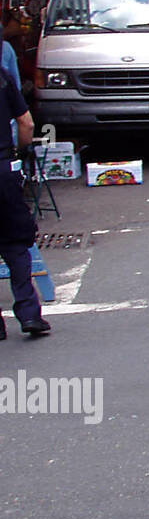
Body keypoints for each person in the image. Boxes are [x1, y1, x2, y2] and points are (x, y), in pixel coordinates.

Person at [0, 63, 47, 337]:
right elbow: (26, 122)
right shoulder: (3, 77)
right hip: (3, 169)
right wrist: (21, 150)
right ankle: (29, 315)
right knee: (16, 244)